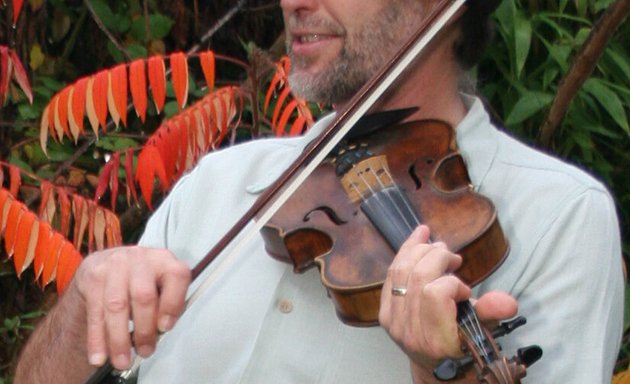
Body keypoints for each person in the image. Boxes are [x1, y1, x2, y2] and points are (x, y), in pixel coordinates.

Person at [15, 0, 624, 383]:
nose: (296, 4)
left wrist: (438, 369)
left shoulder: (559, 216)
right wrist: (79, 313)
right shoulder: (222, 183)